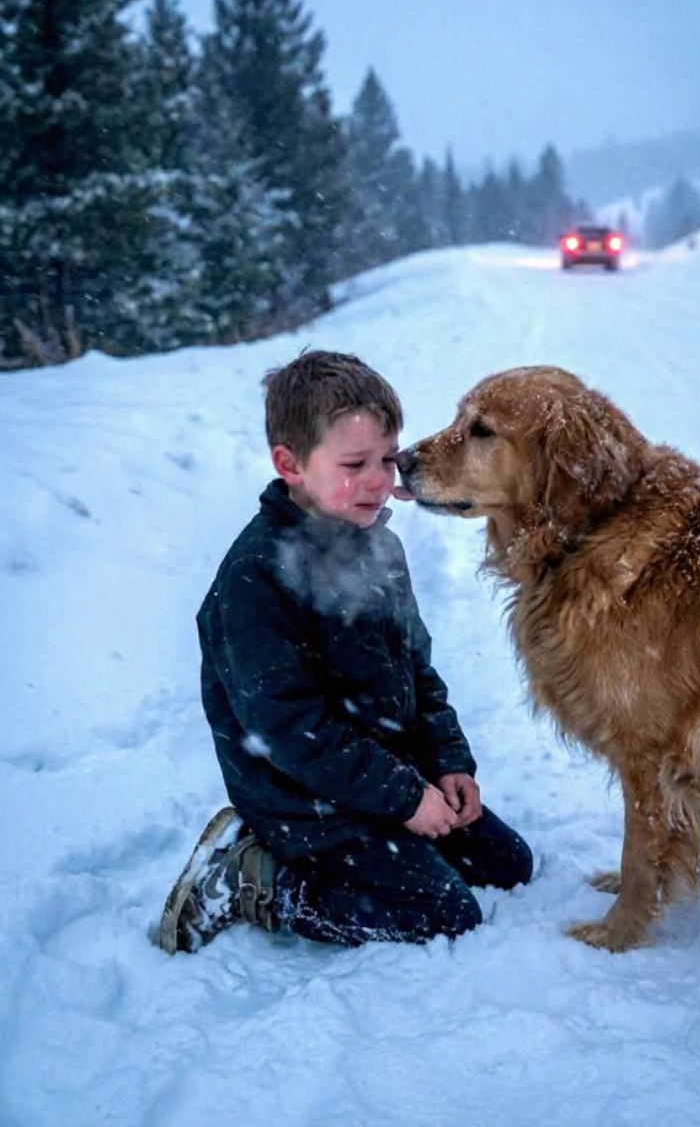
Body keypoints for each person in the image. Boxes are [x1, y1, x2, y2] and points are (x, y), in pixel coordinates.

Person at [159, 350, 533, 954]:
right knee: (444, 915)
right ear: (291, 465)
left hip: (380, 775)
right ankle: (257, 877)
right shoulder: (256, 577)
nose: (380, 481)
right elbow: (289, 731)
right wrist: (405, 798)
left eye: (388, 459)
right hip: (303, 799)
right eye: (355, 464)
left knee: (509, 865)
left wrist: (448, 764)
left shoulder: (379, 549)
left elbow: (418, 670)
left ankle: (392, 830)